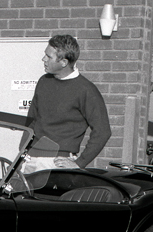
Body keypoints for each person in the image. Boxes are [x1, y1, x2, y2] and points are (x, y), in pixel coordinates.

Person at [23, 35, 111, 171]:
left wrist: (79, 163)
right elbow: (32, 119)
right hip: (30, 159)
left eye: (48, 56)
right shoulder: (44, 81)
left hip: (57, 163)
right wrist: (23, 151)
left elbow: (103, 131)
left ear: (63, 62)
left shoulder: (86, 90)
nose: (43, 59)